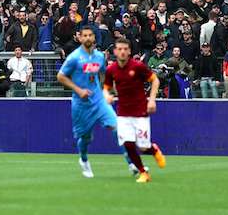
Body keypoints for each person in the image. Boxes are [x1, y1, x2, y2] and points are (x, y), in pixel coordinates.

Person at [57, 26, 126, 179]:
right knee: (86, 138)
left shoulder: (100, 56)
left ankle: (133, 163)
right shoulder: (74, 57)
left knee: (117, 128)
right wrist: (78, 90)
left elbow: (103, 74)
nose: (88, 38)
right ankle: (83, 159)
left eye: (90, 35)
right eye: (85, 35)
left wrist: (107, 91)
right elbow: (61, 76)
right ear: (80, 38)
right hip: (81, 104)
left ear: (94, 38)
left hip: (99, 101)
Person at [103, 36, 166, 184]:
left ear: (130, 51)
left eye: (125, 49)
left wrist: (151, 100)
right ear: (115, 51)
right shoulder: (111, 69)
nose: (122, 52)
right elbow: (106, 87)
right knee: (128, 144)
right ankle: (143, 173)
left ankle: (154, 150)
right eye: (120, 49)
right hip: (123, 113)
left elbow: (155, 79)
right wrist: (107, 95)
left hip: (140, 112)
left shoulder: (137, 67)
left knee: (143, 147)